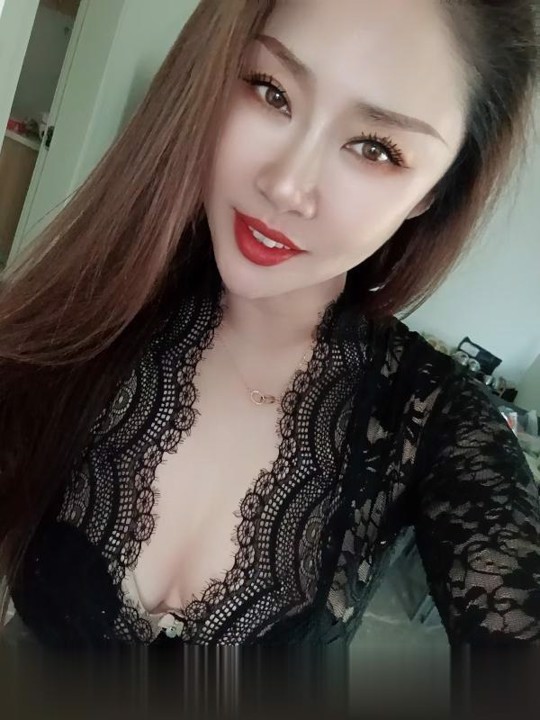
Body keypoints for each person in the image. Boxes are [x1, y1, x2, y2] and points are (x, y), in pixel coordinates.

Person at [0, 0, 539, 650]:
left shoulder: (434, 419)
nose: (286, 185)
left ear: (433, 192)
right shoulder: (91, 309)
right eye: (270, 91)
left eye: (375, 148)